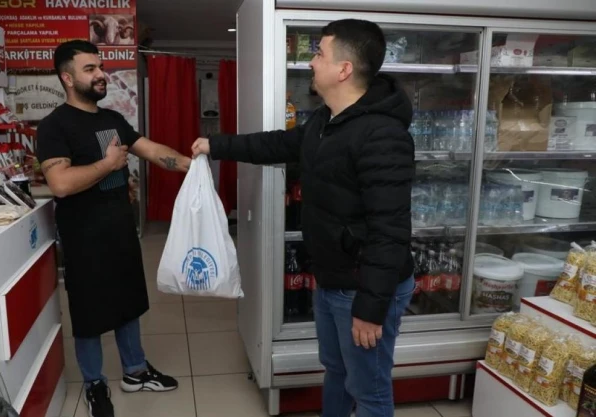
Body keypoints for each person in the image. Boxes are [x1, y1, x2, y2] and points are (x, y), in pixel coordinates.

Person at [192, 19, 415, 417]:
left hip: (364, 285)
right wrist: (216, 145)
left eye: (319, 54)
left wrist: (370, 308)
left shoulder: (382, 135)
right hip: (332, 278)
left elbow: (390, 229)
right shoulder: (327, 121)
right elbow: (277, 144)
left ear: (344, 69)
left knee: (369, 390)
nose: (311, 62)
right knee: (336, 371)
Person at [36, 40, 191, 417]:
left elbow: (150, 149)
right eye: (90, 69)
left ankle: (136, 371)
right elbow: (60, 183)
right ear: (67, 78)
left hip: (120, 229)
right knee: (89, 314)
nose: (101, 74)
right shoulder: (54, 126)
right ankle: (94, 383)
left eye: (100, 67)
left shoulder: (112, 120)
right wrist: (107, 165)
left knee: (128, 302)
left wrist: (193, 164)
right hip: (83, 237)